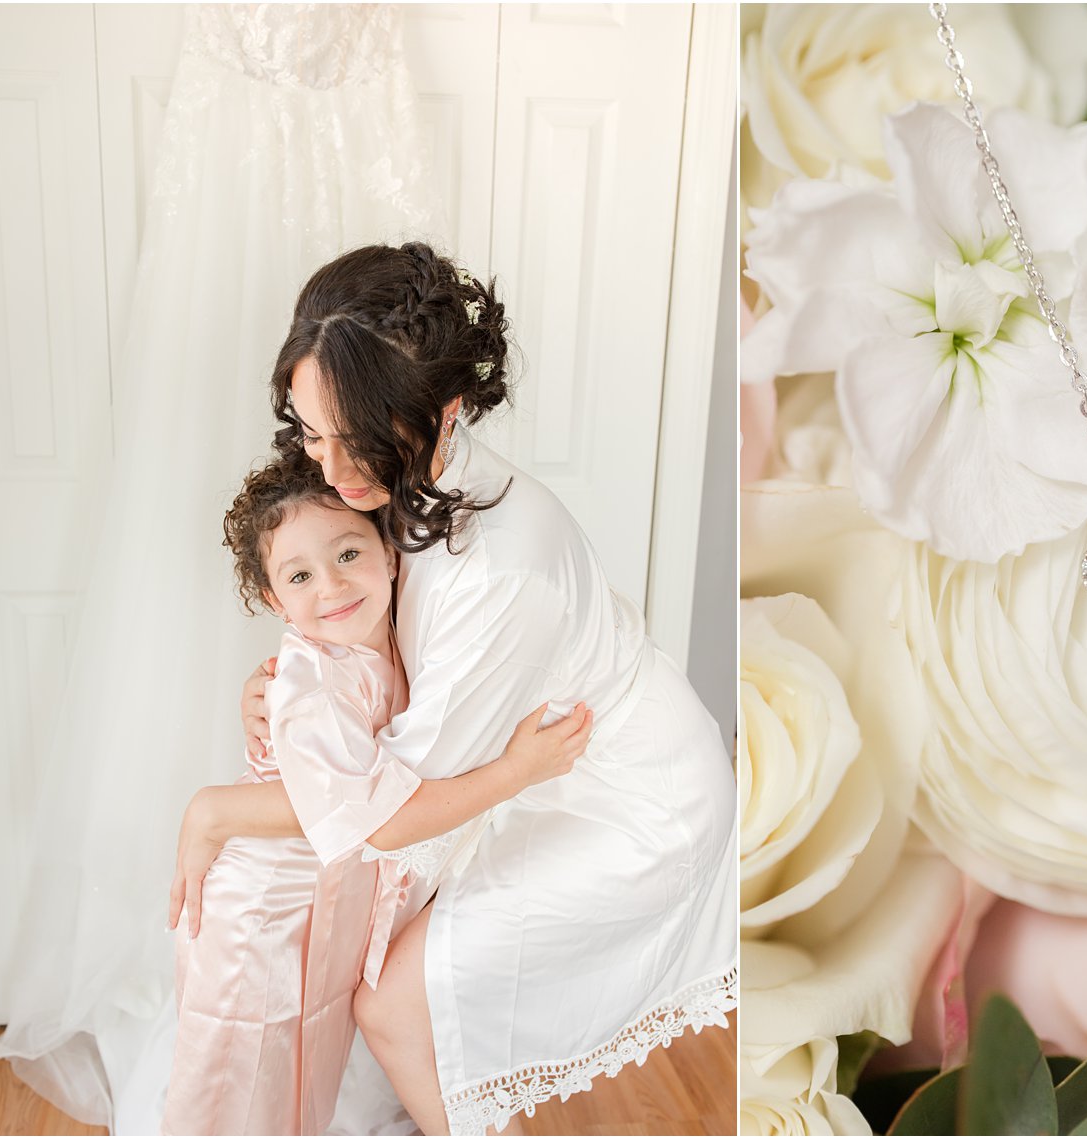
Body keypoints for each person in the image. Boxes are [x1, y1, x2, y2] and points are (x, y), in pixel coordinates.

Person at [175, 240, 738, 1135]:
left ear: (440, 408)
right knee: (391, 986)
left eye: (349, 436)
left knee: (394, 1003)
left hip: (628, 795)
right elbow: (374, 634)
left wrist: (217, 811)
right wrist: (292, 686)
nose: (327, 465)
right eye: (310, 432)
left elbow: (384, 810)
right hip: (540, 766)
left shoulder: (496, 570)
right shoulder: (405, 479)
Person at [164, 457, 592, 1135]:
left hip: (304, 910)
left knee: (290, 1080)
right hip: (258, 916)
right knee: (240, 1087)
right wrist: (517, 770)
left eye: (348, 553)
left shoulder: (383, 640)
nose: (331, 586)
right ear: (277, 601)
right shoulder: (316, 681)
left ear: (391, 556)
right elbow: (381, 819)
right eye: (300, 576)